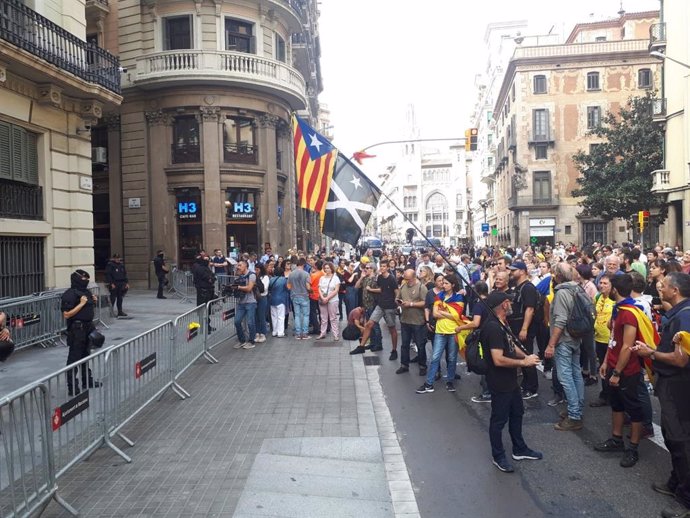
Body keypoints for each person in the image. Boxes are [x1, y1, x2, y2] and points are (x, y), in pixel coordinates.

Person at [633, 272, 690, 518]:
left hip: (678, 386)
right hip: (671, 383)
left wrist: (651, 353)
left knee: (680, 439)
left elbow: (680, 359)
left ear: (675, 290)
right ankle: (676, 482)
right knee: (671, 434)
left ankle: (686, 497)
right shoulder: (679, 313)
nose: (660, 288)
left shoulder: (685, 317)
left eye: (664, 286)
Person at [480, 291, 542, 473]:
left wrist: (526, 355)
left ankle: (519, 448)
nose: (512, 304)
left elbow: (510, 345)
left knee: (517, 412)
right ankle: (498, 456)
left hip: (510, 379)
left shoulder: (502, 323)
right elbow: (498, 359)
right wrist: (524, 363)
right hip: (499, 381)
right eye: (509, 301)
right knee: (499, 419)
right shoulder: (492, 327)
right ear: (503, 305)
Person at [594, 274, 647, 468]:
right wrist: (607, 362)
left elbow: (627, 346)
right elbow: (613, 341)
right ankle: (616, 440)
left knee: (633, 408)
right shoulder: (618, 310)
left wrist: (617, 372)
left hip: (627, 369)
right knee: (616, 404)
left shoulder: (629, 313)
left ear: (615, 289)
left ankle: (632, 448)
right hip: (614, 365)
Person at [545, 262, 584, 431]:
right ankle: (576, 409)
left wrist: (551, 344)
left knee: (566, 377)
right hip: (576, 337)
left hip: (564, 340)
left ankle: (574, 415)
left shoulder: (561, 293)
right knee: (576, 374)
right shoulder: (578, 288)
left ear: (558, 276)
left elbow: (560, 321)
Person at [416, 274, 464, 394]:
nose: (444, 285)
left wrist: (442, 311)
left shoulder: (458, 297)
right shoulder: (439, 296)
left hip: (453, 332)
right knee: (435, 357)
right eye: (443, 283)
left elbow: (457, 315)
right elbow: (435, 314)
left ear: (453, 285)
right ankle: (429, 383)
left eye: (447, 283)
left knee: (452, 358)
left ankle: (450, 381)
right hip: (440, 331)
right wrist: (447, 312)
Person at [61, 270, 101, 396]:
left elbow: (87, 308)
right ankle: (72, 386)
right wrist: (82, 304)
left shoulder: (86, 292)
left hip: (88, 328)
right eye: (84, 278)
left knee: (86, 356)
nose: (86, 281)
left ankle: (87, 381)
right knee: (74, 358)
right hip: (77, 330)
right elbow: (66, 314)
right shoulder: (69, 294)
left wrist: (93, 301)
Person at [350, 262, 399, 358]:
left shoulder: (392, 279)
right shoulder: (379, 278)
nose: (382, 267)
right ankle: (361, 347)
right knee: (369, 324)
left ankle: (394, 350)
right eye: (381, 266)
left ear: (388, 268)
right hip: (380, 305)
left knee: (392, 329)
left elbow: (396, 291)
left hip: (389, 306)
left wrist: (396, 302)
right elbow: (380, 289)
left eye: (384, 266)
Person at [507, 261, 540, 399]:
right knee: (521, 355)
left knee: (527, 355)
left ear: (522, 271)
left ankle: (532, 387)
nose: (511, 273)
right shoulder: (517, 287)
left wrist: (524, 329)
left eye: (514, 270)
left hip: (523, 327)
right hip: (515, 326)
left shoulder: (528, 288)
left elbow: (530, 309)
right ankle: (526, 383)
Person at [590, 274, 616, 408]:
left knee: (611, 369)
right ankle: (605, 395)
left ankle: (612, 396)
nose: (602, 286)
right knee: (603, 368)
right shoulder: (598, 297)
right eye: (601, 283)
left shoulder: (614, 301)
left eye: (606, 283)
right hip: (598, 338)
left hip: (610, 340)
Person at [397, 268, 428, 375]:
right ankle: (404, 365)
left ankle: (422, 365)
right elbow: (397, 298)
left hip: (418, 321)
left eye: (408, 279)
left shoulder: (421, 287)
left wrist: (411, 304)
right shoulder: (403, 286)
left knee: (420, 345)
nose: (406, 281)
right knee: (404, 344)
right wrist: (399, 302)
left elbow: (425, 303)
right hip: (405, 320)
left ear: (414, 277)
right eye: (405, 279)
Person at [233, 260, 258, 349]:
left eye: (239, 265)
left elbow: (249, 288)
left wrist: (238, 287)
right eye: (237, 265)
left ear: (245, 266)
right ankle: (242, 340)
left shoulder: (252, 275)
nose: (237, 267)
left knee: (250, 322)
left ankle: (252, 341)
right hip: (241, 302)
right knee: (237, 321)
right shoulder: (239, 276)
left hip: (250, 302)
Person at [287, 258, 311, 340]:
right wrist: (311, 291)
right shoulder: (306, 274)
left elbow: (289, 287)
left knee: (297, 315)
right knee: (305, 315)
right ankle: (305, 333)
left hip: (294, 296)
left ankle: (298, 333)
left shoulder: (291, 274)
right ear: (303, 265)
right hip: (304, 296)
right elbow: (308, 287)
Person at [317, 262, 340, 341]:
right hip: (323, 299)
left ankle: (335, 334)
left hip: (333, 300)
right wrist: (323, 297)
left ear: (331, 269)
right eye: (325, 268)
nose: (327, 270)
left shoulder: (335, 278)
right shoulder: (322, 278)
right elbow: (319, 288)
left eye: (328, 268)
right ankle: (322, 333)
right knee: (323, 318)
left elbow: (336, 290)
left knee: (333, 318)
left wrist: (328, 298)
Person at [268, 267, 289, 338]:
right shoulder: (283, 280)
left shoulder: (271, 279)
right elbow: (287, 288)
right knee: (281, 316)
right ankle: (280, 332)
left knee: (274, 316)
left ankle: (275, 331)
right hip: (281, 299)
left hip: (272, 300)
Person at [255, 264, 269, 343]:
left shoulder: (265, 277)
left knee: (261, 316)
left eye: (257, 269)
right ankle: (257, 332)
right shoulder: (255, 276)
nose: (256, 271)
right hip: (255, 298)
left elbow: (264, 288)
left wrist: (258, 280)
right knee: (256, 316)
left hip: (262, 297)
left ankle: (263, 333)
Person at [308, 260, 324, 335]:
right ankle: (325, 327)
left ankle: (316, 328)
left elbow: (309, 285)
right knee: (322, 312)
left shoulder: (313, 275)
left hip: (313, 295)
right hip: (321, 296)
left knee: (313, 313)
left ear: (316, 266)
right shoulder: (323, 274)